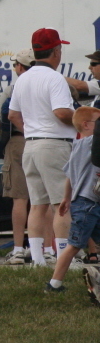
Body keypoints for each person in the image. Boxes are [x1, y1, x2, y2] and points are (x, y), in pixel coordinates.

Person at [9, 28, 76, 267]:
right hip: (54, 145)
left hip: (31, 145)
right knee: (62, 205)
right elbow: (61, 112)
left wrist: (32, 130)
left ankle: (38, 259)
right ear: (56, 51)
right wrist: (82, 119)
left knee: (37, 205)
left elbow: (13, 115)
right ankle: (63, 259)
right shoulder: (55, 78)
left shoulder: (23, 78)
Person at [44, 106, 100, 294]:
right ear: (86, 125)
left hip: (85, 201)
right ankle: (54, 285)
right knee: (74, 245)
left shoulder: (77, 146)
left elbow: (69, 176)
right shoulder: (91, 143)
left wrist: (66, 198)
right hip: (87, 203)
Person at [0, 49, 33, 265]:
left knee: (20, 199)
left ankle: (18, 249)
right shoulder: (50, 84)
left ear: (19, 67)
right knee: (43, 201)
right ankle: (44, 249)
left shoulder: (12, 90)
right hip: (43, 141)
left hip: (17, 143)